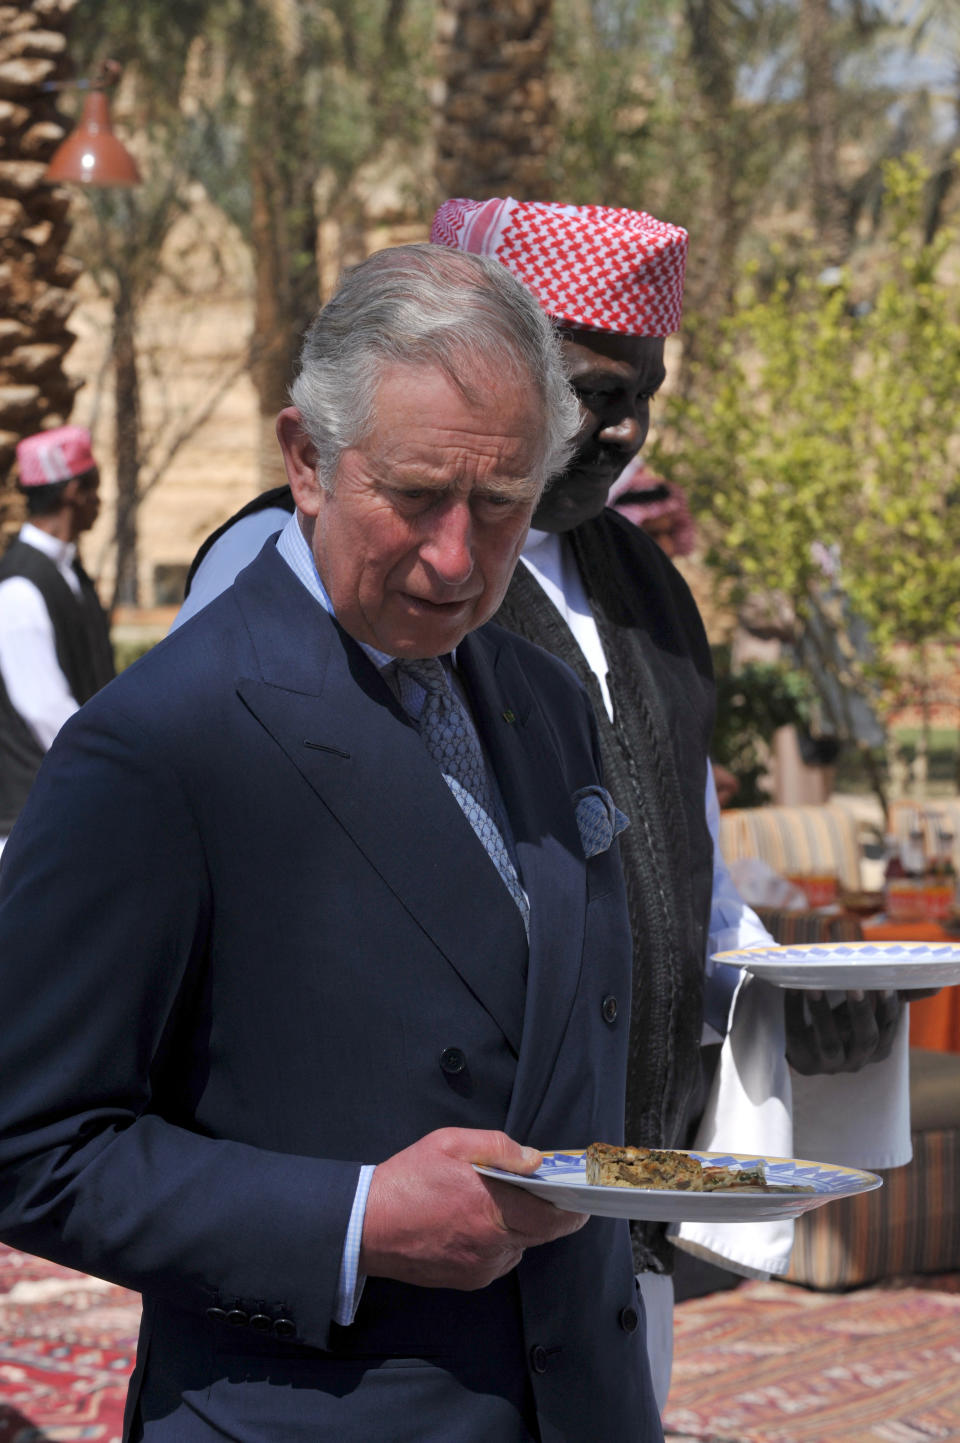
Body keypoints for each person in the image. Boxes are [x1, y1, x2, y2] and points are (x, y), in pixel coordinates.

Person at [170, 199, 911, 1410]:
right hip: (373, 1256)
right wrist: (332, 1213)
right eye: (590, 389)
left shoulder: (648, 584)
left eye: (645, 394)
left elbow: (687, 891)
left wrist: (789, 996)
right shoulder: (289, 558)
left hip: (613, 1231)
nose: (623, 426)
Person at [0, 244, 664, 1443]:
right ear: (306, 460)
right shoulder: (160, 743)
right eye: (414, 497)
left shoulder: (545, 700)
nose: (457, 558)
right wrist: (355, 1219)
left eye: (502, 506)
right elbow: (29, 1144)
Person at [0, 425, 114, 854]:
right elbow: (46, 713)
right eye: (94, 487)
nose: (99, 501)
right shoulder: (19, 588)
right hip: (27, 831)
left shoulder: (69, 575)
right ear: (72, 491)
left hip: (66, 814)